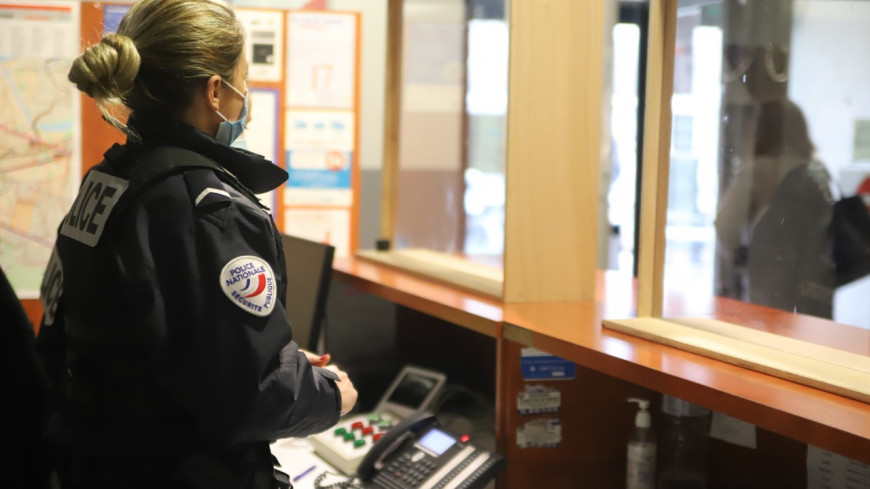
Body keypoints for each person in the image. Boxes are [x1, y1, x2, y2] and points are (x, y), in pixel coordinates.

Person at [36, 1, 357, 488]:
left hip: (97, 462)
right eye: (243, 80)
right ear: (215, 91)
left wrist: (275, 361)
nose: (245, 96)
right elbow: (249, 397)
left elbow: (113, 335)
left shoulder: (109, 179)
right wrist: (331, 396)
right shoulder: (204, 207)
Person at [715, 99, 836, 317]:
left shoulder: (760, 169)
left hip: (772, 287)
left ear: (762, 130)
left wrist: (742, 257)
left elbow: (726, 225)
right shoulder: (817, 171)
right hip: (816, 287)